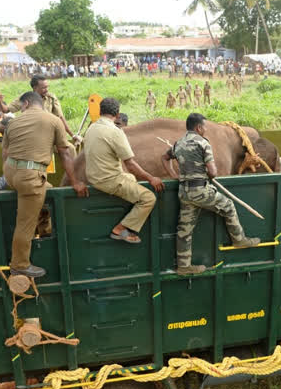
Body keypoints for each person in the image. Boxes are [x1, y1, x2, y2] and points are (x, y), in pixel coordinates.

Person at [2, 91, 87, 277]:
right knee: (25, 223)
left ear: (25, 104)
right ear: (40, 103)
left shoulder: (13, 122)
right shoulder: (53, 120)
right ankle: (19, 265)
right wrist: (74, 182)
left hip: (10, 172)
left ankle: (45, 228)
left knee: (46, 190)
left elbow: (5, 153)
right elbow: (65, 153)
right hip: (30, 176)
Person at [162, 113, 259, 275]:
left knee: (184, 230)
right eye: (204, 126)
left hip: (185, 192)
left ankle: (184, 266)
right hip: (200, 191)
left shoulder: (178, 144)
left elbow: (164, 158)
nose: (205, 129)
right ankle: (239, 239)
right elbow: (213, 172)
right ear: (198, 127)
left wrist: (174, 175)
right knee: (228, 206)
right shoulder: (203, 143)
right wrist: (208, 174)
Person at [84, 97, 164, 244]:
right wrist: (151, 178)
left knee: (131, 179)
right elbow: (131, 164)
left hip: (93, 177)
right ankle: (120, 229)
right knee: (148, 198)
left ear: (101, 111)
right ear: (117, 114)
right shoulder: (115, 132)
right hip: (109, 180)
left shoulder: (91, 128)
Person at [0, 75, 75, 140]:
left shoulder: (51, 98)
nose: (46, 90)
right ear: (35, 88)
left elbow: (60, 117)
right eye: (43, 88)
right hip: (30, 133)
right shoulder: (25, 98)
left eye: (47, 87)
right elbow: (6, 110)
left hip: (47, 133)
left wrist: (72, 135)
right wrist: (0, 102)